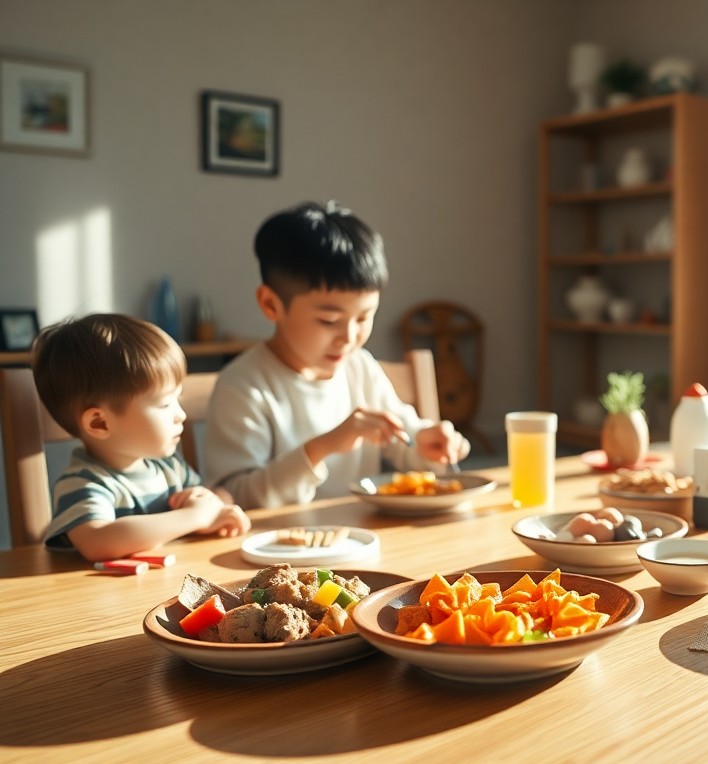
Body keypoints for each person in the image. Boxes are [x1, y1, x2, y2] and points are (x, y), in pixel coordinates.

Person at [204, 200, 470, 509]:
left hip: (361, 543)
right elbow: (236, 497)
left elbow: (404, 441)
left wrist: (426, 444)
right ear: (271, 305)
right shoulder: (243, 388)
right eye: (329, 321)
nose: (349, 337)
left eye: (363, 317)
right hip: (278, 552)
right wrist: (322, 448)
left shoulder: (359, 367)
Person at [33, 314, 250, 561]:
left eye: (178, 400)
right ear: (99, 422)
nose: (181, 415)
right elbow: (97, 541)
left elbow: (204, 507)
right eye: (165, 404)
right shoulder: (84, 483)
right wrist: (194, 517)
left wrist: (216, 512)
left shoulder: (169, 469)